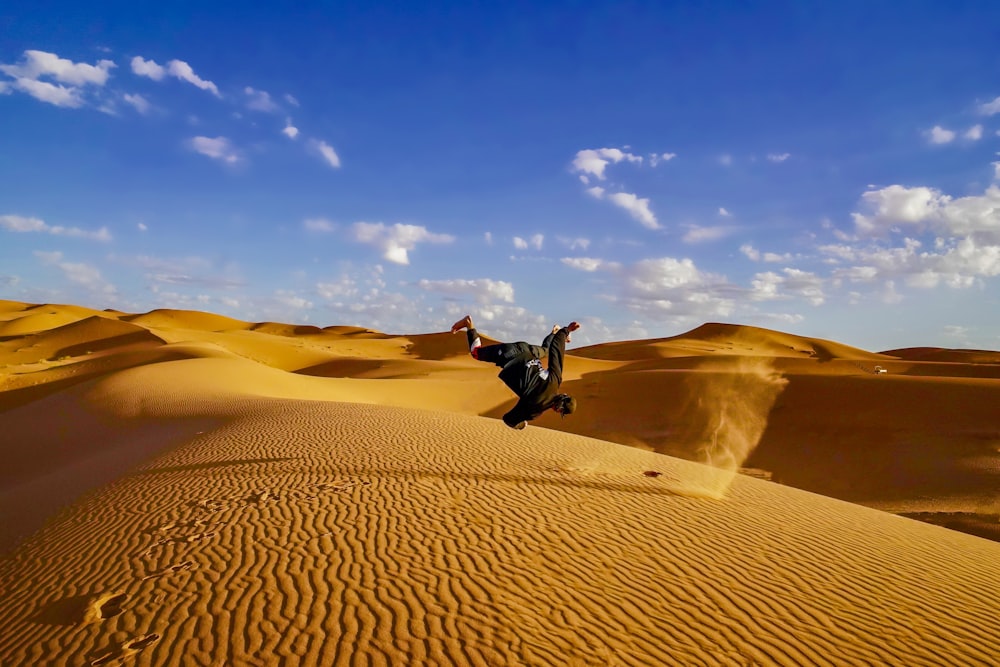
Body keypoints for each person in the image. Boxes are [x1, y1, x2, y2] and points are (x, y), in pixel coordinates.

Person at [450, 314, 580, 429]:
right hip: (509, 355)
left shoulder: (555, 380)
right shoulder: (534, 410)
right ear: (558, 410)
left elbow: (556, 349)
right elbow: (508, 419)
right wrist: (521, 424)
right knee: (476, 353)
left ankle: (553, 332)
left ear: (564, 394)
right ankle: (469, 325)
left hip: (527, 350)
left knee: (545, 350)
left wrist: (565, 331)